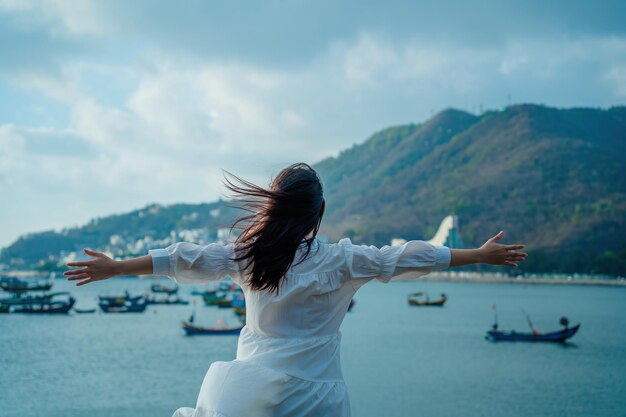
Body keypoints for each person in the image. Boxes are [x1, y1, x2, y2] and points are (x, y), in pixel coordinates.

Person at [65, 162, 527, 417]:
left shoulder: (248, 255)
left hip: (246, 392)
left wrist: (117, 267)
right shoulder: (344, 261)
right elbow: (406, 257)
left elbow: (185, 258)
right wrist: (475, 255)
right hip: (316, 400)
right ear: (317, 214)